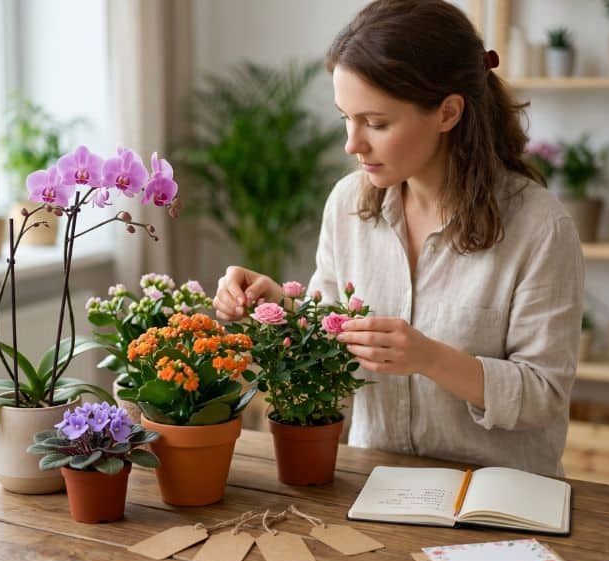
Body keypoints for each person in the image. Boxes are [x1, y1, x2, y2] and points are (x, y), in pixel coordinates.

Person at [213, 0, 583, 477]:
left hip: (496, 500)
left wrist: (430, 358)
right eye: (345, 117)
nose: (352, 144)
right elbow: (331, 333)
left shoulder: (540, 228)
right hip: (376, 487)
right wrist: (279, 306)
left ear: (448, 112)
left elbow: (544, 395)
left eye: (377, 123)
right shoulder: (348, 205)